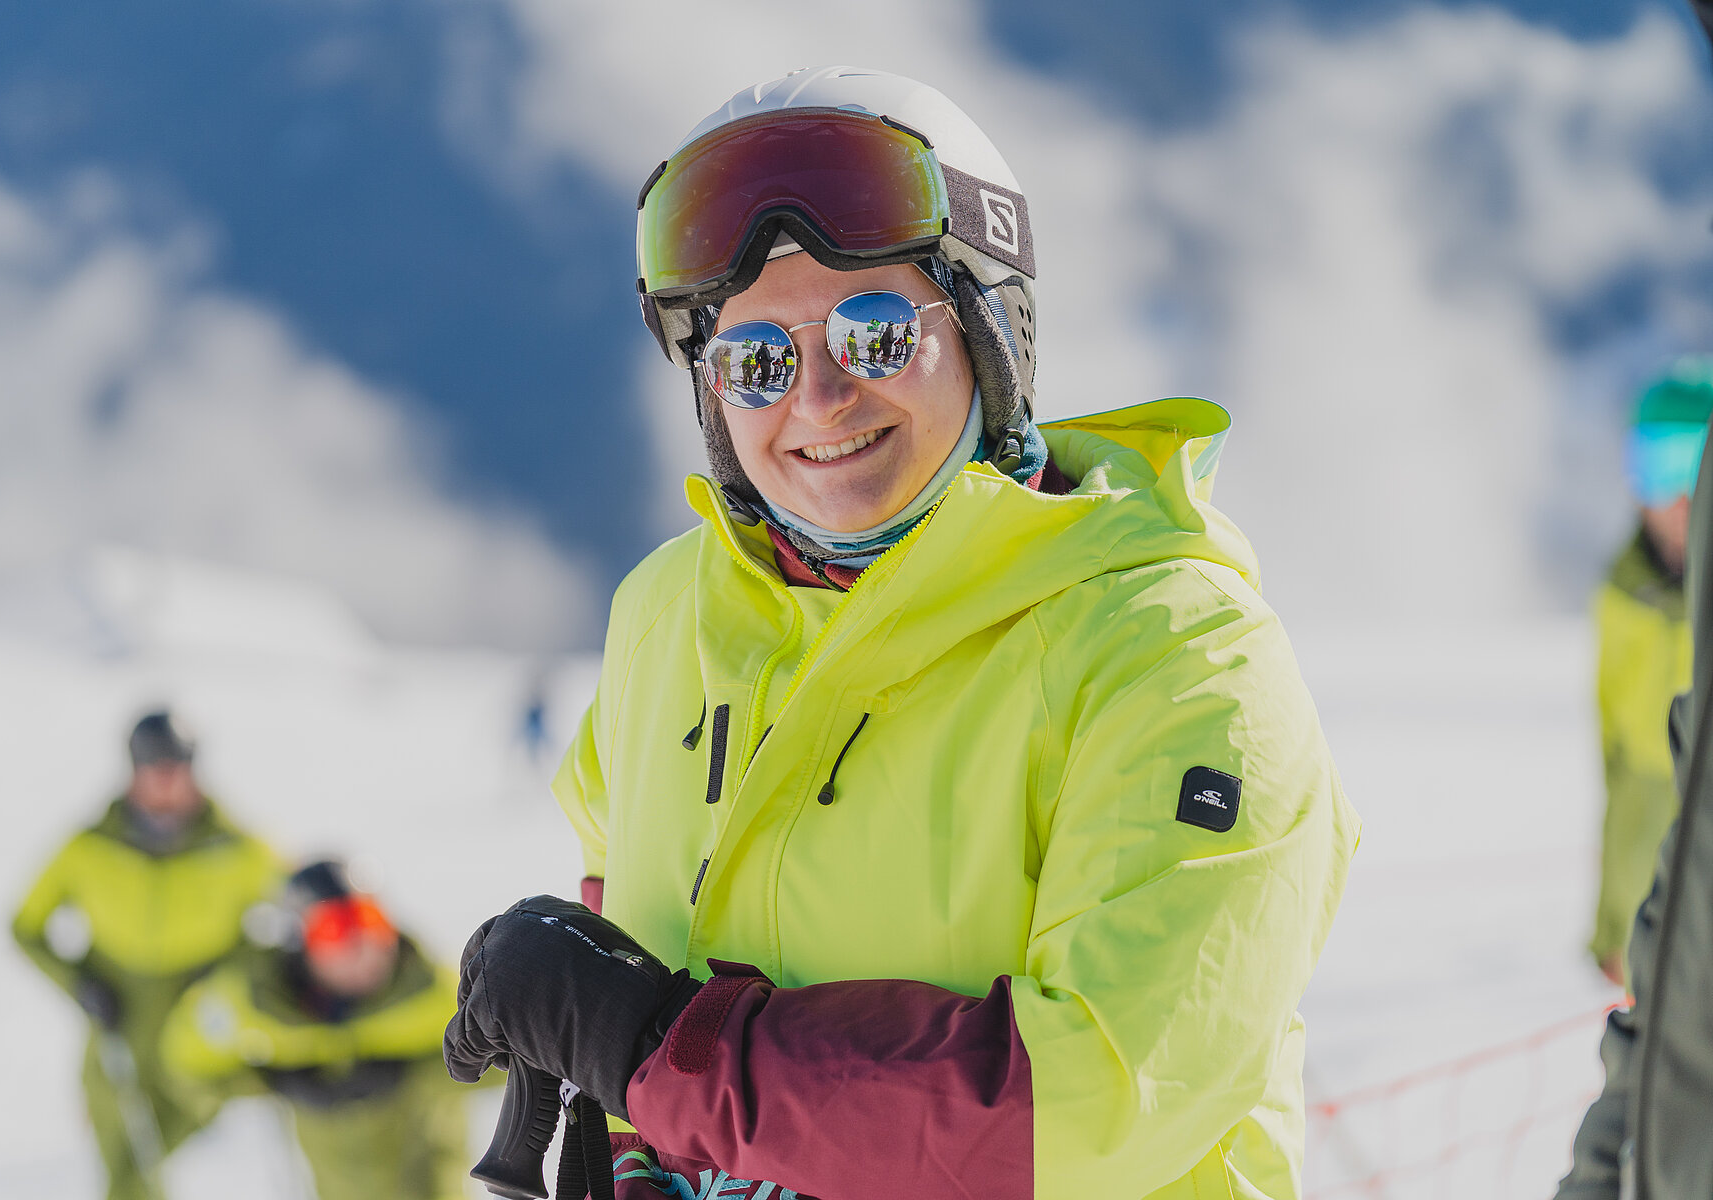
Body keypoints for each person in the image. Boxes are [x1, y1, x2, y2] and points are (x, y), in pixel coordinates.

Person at [446, 67, 1359, 1200]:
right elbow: (619, 869)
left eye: (874, 333)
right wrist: (631, 1111)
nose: (818, 399)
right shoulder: (668, 613)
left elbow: (1098, 1101)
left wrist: (658, 1051)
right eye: (757, 360)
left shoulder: (1176, 655)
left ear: (990, 332)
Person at [11, 710, 282, 1200]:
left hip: (198, 1030)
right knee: (126, 1163)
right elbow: (26, 925)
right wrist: (80, 984)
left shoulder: (236, 846)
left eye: (176, 765)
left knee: (153, 1157)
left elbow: (296, 920)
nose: (165, 779)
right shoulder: (92, 846)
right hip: (120, 1026)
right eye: (153, 766)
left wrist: (235, 971)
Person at [161, 860, 469, 1200]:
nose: (363, 947)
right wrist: (274, 1082)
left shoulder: (431, 991)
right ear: (300, 940)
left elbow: (507, 1052)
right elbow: (185, 1062)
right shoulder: (258, 1002)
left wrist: (410, 1076)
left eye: (372, 920)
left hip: (429, 1178)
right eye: (335, 929)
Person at [1588, 359, 1713, 986]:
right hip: (1646, 929)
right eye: (1658, 466)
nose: (1680, 497)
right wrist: (1614, 923)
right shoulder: (1624, 595)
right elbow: (1617, 767)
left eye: (1695, 466)